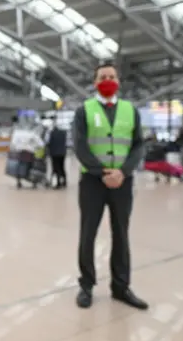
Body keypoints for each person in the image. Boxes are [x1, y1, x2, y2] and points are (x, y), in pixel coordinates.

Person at [73, 62, 148, 311]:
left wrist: (123, 172)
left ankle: (121, 287)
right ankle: (86, 285)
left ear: (118, 81)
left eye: (111, 76)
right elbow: (80, 146)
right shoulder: (84, 110)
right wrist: (102, 172)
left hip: (122, 182)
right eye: (102, 77)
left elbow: (138, 145)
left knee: (121, 234)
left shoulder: (130, 110)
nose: (107, 80)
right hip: (93, 182)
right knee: (88, 234)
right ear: (95, 82)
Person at [10, 116, 44, 188]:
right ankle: (33, 183)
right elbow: (41, 144)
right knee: (32, 168)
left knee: (19, 167)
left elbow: (13, 143)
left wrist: (17, 147)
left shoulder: (17, 133)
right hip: (30, 153)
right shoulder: (32, 133)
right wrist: (34, 146)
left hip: (20, 153)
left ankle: (18, 182)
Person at [48, 118, 68, 188]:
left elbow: (49, 143)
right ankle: (65, 181)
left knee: (56, 168)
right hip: (62, 153)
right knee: (62, 167)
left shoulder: (52, 133)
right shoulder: (63, 133)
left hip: (54, 153)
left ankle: (57, 183)